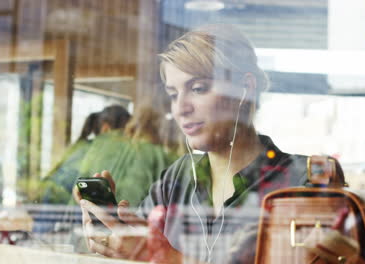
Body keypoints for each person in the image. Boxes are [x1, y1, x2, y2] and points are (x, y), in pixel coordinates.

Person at [75, 24, 331, 263]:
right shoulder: (175, 179)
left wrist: (171, 259)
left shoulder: (303, 182)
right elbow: (142, 252)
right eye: (173, 95)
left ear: (244, 89)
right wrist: (113, 238)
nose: (180, 109)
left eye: (198, 89)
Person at [40, 105, 131, 204]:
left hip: (46, 200)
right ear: (106, 128)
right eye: (127, 132)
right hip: (53, 206)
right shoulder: (100, 152)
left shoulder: (83, 146)